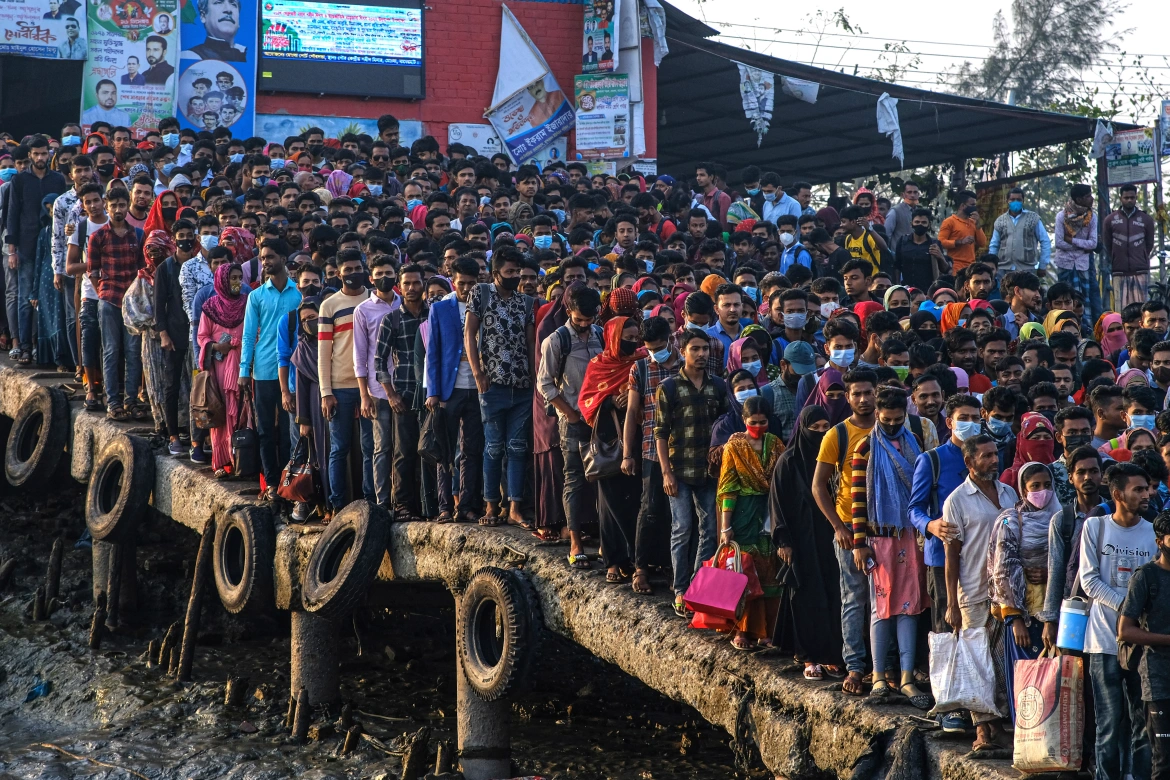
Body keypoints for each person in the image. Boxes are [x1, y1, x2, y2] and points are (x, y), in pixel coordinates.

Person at [849, 386, 931, 709]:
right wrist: (859, 543)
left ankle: (908, 677)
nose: (894, 425)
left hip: (910, 536)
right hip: (879, 537)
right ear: (878, 417)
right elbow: (859, 500)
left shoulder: (916, 443)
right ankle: (880, 676)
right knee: (880, 608)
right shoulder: (865, 448)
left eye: (898, 419)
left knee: (910, 607)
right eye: (887, 420)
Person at [942, 434, 1018, 754]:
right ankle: (983, 732)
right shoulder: (956, 501)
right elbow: (951, 556)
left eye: (995, 454)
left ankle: (996, 726)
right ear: (969, 462)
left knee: (1001, 662)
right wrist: (951, 604)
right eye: (985, 456)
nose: (993, 460)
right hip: (972, 592)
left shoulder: (1009, 492)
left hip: (1006, 591)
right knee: (977, 662)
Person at [1080, 462, 1156, 780]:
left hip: (1141, 643)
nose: (1146, 494)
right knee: (1109, 723)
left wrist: (1137, 615)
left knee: (1142, 724)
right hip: (1103, 641)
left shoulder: (1153, 534)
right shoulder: (1095, 528)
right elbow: (1089, 580)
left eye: (1147, 488)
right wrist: (1127, 606)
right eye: (1138, 489)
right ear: (1117, 494)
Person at [811, 368, 877, 696]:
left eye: (869, 392)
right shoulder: (837, 435)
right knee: (854, 598)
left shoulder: (893, 430)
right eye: (857, 394)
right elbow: (818, 486)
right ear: (848, 398)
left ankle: (885, 667)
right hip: (850, 528)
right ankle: (855, 665)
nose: (864, 399)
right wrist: (837, 527)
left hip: (887, 528)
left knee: (887, 601)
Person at [656, 329, 728, 617]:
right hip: (679, 469)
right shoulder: (670, 387)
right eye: (695, 349)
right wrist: (665, 473)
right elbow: (660, 433)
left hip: (709, 472)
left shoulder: (719, 386)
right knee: (682, 529)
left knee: (709, 530)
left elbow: (724, 426)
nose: (701, 354)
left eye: (704, 349)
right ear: (683, 351)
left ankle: (698, 587)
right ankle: (680, 590)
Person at [468, 247, 536, 528]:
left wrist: (534, 378)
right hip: (492, 383)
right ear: (496, 273)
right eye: (509, 272)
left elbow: (531, 344)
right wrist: (477, 373)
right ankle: (491, 506)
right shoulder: (481, 293)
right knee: (494, 447)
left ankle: (515, 507)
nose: (515, 276)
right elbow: (469, 336)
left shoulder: (527, 302)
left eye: (517, 272)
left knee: (517, 448)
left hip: (521, 385)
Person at [538, 283, 602, 563]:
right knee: (574, 480)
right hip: (573, 421)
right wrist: (571, 413)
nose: (584, 325)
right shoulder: (556, 340)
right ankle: (575, 542)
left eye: (589, 320)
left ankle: (603, 539)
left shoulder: (601, 335)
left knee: (603, 481)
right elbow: (545, 385)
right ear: (569, 312)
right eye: (579, 320)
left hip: (602, 420)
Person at [579, 315, 643, 583]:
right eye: (626, 338)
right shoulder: (598, 365)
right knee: (610, 504)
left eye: (635, 338)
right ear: (614, 338)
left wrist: (633, 396)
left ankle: (636, 558)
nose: (632, 343)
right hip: (609, 441)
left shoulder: (641, 362)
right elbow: (585, 402)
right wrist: (611, 402)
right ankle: (613, 561)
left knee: (637, 502)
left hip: (639, 439)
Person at [716, 394, 783, 649]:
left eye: (762, 422)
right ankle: (741, 631)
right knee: (744, 573)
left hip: (768, 512)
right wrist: (726, 526)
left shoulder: (776, 444)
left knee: (770, 572)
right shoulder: (734, 447)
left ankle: (767, 631)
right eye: (752, 422)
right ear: (743, 420)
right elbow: (728, 488)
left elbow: (781, 482)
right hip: (743, 513)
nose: (757, 426)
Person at [238, 238, 301, 500]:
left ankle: (289, 483)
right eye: (263, 258)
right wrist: (244, 370)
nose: (265, 262)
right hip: (263, 370)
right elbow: (248, 335)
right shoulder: (256, 296)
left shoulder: (298, 293)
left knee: (289, 432)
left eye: (270, 257)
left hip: (293, 372)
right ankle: (272, 484)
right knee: (265, 430)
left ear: (283, 259)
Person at [424, 258, 483, 525]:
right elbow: (433, 352)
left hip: (478, 387)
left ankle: (467, 506)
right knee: (445, 451)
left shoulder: (485, 304)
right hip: (449, 388)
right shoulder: (440, 308)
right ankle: (445, 505)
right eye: (462, 283)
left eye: (472, 283)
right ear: (452, 279)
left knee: (471, 449)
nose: (467, 288)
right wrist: (433, 391)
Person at [623, 315, 676, 595]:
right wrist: (627, 453)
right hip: (650, 450)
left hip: (682, 449)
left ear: (670, 339)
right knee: (649, 509)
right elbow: (633, 412)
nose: (656, 353)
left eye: (659, 346)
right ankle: (641, 567)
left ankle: (672, 567)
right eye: (650, 348)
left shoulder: (684, 364)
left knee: (676, 513)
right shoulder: (640, 368)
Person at [318, 249, 373, 516]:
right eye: (347, 270)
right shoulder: (329, 305)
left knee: (370, 447)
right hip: (339, 386)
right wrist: (325, 391)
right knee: (339, 449)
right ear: (339, 273)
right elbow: (323, 353)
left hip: (371, 385)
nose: (353, 273)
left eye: (356, 268)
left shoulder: (373, 298)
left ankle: (370, 503)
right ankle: (337, 505)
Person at [374, 262, 429, 520]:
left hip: (431, 394)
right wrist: (390, 394)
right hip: (404, 394)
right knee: (403, 452)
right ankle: (404, 506)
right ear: (400, 285)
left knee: (430, 449)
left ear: (423, 285)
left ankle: (429, 505)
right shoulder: (392, 319)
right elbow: (378, 360)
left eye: (416, 283)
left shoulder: (434, 315)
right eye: (406, 283)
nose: (411, 288)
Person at [1118, 509, 1170, 780]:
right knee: (1163, 760)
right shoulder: (1146, 576)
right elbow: (1126, 630)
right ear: (1160, 541)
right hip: (1157, 679)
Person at [86, 186, 145, 420]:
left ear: (127, 206)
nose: (118, 210)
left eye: (122, 205)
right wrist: (102, 292)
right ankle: (113, 402)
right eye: (114, 206)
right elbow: (92, 272)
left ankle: (131, 401)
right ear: (107, 207)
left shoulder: (137, 236)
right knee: (110, 351)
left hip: (131, 302)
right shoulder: (98, 236)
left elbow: (142, 270)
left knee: (132, 352)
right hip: (109, 299)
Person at [7, 137, 66, 364]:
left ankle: (45, 349)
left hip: (53, 248)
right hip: (27, 245)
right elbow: (13, 215)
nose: (41, 158)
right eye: (36, 154)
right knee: (25, 299)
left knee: (48, 299)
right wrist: (12, 250)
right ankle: (24, 346)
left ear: (49, 154)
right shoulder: (19, 180)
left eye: (44, 154)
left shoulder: (57, 180)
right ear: (30, 155)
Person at [197, 262, 245, 477]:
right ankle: (222, 463)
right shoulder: (210, 306)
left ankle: (241, 461)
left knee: (243, 413)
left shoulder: (247, 303)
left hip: (242, 366)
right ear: (222, 280)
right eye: (232, 278)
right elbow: (202, 337)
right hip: (219, 367)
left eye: (239, 278)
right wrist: (216, 346)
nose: (236, 282)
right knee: (221, 412)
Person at [1105, 183, 1157, 309]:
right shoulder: (1110, 219)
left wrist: (1141, 256)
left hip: (1140, 270)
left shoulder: (1146, 219)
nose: (1129, 200)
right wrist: (1115, 258)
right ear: (1120, 198)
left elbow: (1149, 243)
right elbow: (1108, 244)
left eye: (1132, 197)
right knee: (1121, 310)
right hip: (1119, 271)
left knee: (1141, 309)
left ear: (1136, 198)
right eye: (1126, 197)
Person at [1053, 183, 1097, 324]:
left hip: (1082, 265)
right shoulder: (1061, 216)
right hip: (1065, 264)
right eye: (1088, 196)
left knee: (1083, 299)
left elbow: (1093, 243)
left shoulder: (1092, 217)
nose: (1091, 198)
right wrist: (1082, 246)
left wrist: (1072, 240)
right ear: (1078, 199)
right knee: (1063, 299)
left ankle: (1085, 328)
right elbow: (1059, 242)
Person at [988, 187, 1051, 277]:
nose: (1015, 202)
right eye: (1012, 199)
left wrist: (1043, 265)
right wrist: (992, 266)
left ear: (1023, 201)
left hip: (1026, 268)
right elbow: (994, 245)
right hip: (1003, 268)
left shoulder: (1033, 218)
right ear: (1007, 201)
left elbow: (1045, 241)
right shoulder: (1000, 220)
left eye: (1019, 199)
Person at [937, 190, 985, 273]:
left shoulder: (973, 222)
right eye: (972, 205)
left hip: (971, 267)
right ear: (962, 205)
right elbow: (941, 242)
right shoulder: (949, 221)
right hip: (955, 266)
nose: (974, 207)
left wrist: (978, 224)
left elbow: (982, 243)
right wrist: (960, 242)